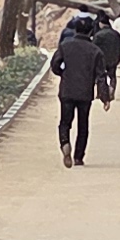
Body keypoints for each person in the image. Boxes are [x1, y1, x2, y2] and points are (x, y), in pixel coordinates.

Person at [49, 13, 111, 166]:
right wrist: (105, 97)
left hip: (67, 89)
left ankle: (65, 143)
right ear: (91, 32)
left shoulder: (65, 46)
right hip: (85, 92)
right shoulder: (95, 51)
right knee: (83, 125)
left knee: (65, 121)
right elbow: (101, 76)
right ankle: (78, 157)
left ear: (75, 30)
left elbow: (55, 64)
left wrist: (63, 74)